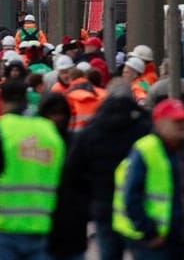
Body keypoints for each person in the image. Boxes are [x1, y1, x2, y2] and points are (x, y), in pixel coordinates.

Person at [59, 81, 149, 260]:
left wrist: (87, 199)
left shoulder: (92, 129)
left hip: (103, 205)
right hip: (140, 206)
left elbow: (72, 171)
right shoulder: (145, 126)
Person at [0, 79, 64, 260]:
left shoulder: (0, 128)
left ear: (1, 101)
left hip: (3, 227)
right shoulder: (49, 130)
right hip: (42, 227)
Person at [112, 98, 184, 260]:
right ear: (160, 123)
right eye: (177, 121)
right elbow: (131, 197)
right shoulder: (145, 150)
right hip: (156, 241)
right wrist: (149, 232)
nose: (183, 125)